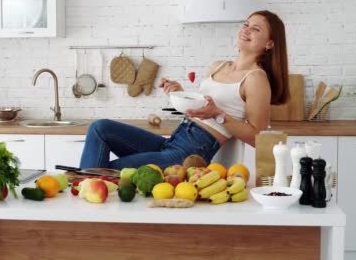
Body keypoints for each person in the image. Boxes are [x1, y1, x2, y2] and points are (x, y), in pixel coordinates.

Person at [79, 10, 289, 170]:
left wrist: (219, 115)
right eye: (246, 24)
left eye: (256, 29)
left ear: (270, 43)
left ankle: (84, 200)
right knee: (99, 128)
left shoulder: (255, 79)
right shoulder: (218, 66)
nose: (246, 30)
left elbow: (258, 138)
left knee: (105, 171)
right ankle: (87, 190)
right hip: (175, 140)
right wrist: (179, 93)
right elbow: (202, 108)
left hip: (190, 154)